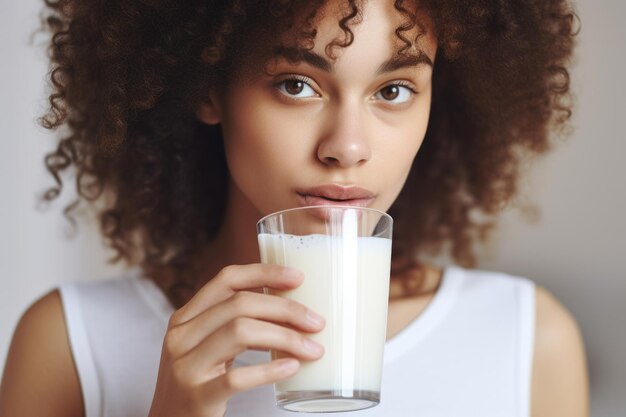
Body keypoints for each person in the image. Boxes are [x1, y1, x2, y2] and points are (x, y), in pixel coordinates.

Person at [0, 0, 588, 416]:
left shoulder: (527, 339)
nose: (347, 147)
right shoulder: (70, 345)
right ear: (207, 88)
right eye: (296, 85)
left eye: (393, 91)